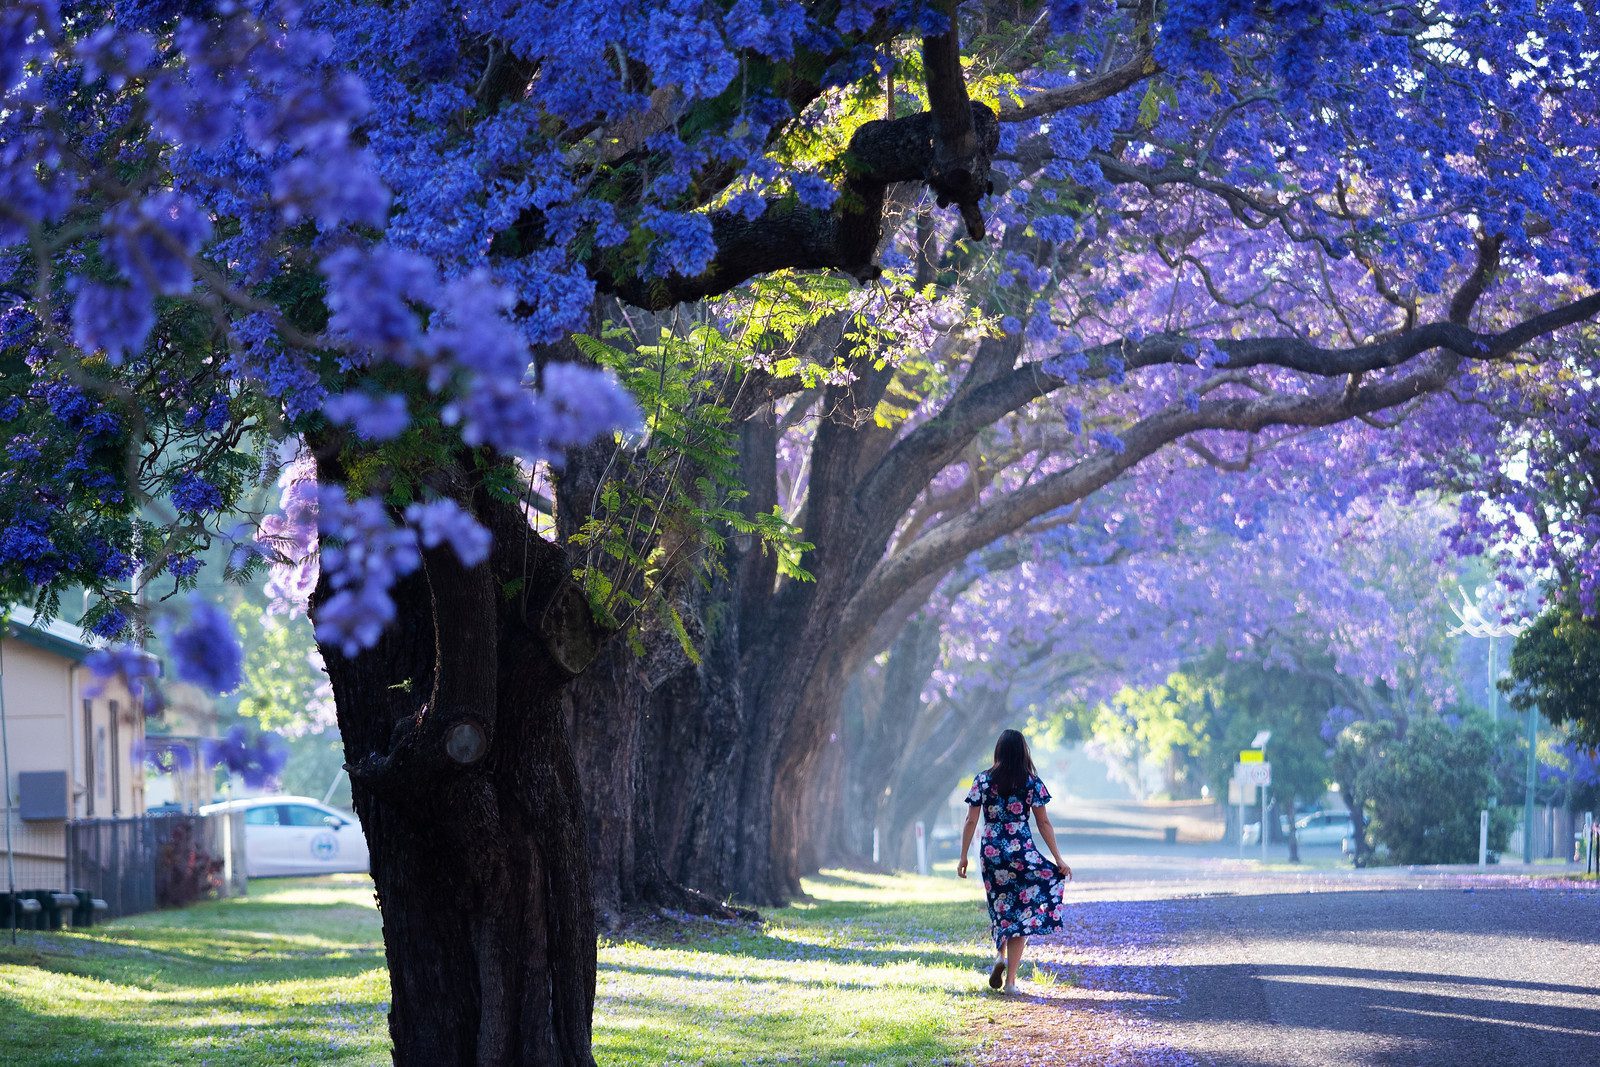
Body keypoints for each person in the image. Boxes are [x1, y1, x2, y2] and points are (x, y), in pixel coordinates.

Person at [957, 728, 1072, 993]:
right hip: (1022, 852)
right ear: (1023, 752)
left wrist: (964, 856)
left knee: (1000, 907)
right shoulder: (1032, 782)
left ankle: (999, 955)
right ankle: (1010, 983)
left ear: (998, 751)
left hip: (992, 853)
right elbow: (1043, 822)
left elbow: (971, 820)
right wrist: (1058, 860)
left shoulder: (982, 781)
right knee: (1022, 912)